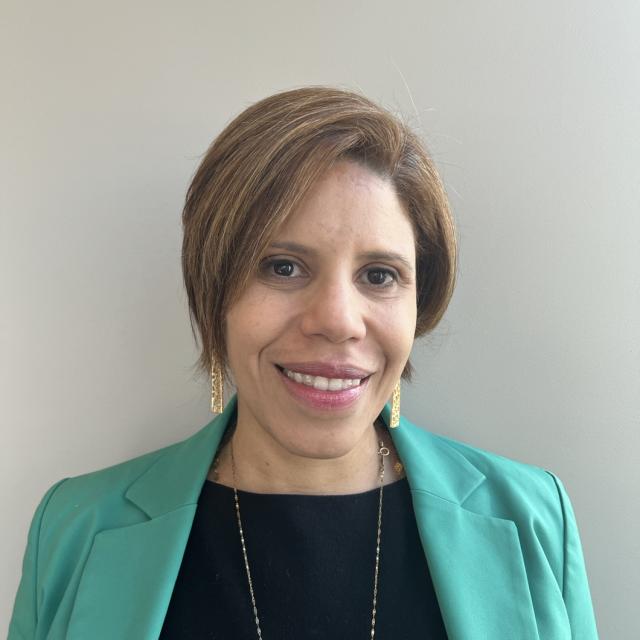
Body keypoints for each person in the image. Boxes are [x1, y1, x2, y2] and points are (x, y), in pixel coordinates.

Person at [9, 87, 599, 640]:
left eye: (379, 275)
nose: (338, 320)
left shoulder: (531, 518)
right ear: (213, 295)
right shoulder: (76, 528)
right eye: (283, 266)